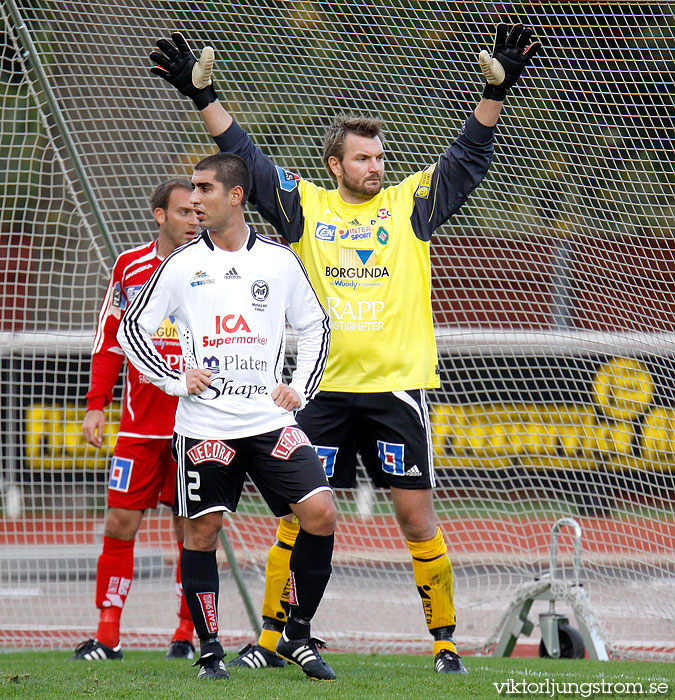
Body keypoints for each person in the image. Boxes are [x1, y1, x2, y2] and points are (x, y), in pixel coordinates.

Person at [148, 23, 541, 675]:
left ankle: (443, 644)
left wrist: (493, 94)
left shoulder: (409, 204)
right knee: (299, 519)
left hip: (394, 387)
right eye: (362, 158)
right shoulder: (305, 207)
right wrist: (203, 95)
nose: (374, 166)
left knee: (415, 520)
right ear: (335, 165)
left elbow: (466, 161)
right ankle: (273, 640)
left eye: (378, 157)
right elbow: (245, 155)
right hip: (320, 392)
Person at [117, 152, 337, 681]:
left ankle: (297, 635)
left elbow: (315, 326)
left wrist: (300, 390)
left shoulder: (280, 260)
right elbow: (132, 330)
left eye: (204, 189)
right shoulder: (183, 262)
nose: (194, 199)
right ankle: (211, 650)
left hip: (268, 421)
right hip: (204, 427)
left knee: (321, 514)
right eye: (192, 191)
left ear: (235, 196)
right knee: (201, 535)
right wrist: (174, 379)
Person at [73, 179, 200, 661]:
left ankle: (186, 636)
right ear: (160, 216)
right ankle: (108, 636)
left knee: (191, 529)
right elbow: (108, 340)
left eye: (197, 211)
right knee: (120, 522)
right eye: (184, 211)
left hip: (197, 426)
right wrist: (95, 403)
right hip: (139, 427)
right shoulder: (129, 267)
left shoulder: (212, 268)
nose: (193, 218)